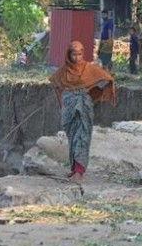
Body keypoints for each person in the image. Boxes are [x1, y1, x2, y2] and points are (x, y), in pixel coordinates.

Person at [48, 41, 116, 181]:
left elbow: (106, 78)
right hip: (69, 107)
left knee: (82, 136)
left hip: (84, 107)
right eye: (74, 54)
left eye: (80, 54)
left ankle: (80, 170)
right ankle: (74, 168)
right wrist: (67, 93)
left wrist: (91, 91)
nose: (77, 57)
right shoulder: (64, 71)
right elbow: (55, 81)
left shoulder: (88, 69)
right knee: (72, 137)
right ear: (69, 54)